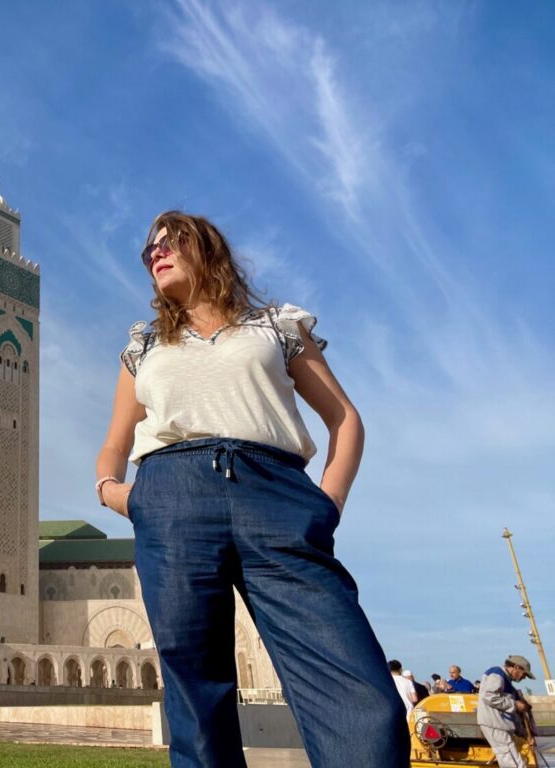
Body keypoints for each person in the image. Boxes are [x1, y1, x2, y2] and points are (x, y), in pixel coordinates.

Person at [96, 211, 408, 767]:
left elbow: (345, 419)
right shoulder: (142, 347)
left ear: (207, 249)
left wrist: (326, 504)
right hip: (171, 499)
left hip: (277, 497)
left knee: (364, 700)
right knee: (196, 700)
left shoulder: (276, 326)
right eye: (150, 251)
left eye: (171, 242)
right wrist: (116, 491)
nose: (157, 254)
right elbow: (115, 443)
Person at [476, 655, 535, 768]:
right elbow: (489, 696)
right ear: (516, 667)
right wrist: (515, 704)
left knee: (514, 761)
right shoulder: (497, 673)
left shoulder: (507, 680)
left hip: (501, 725)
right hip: (494, 724)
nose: (524, 678)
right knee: (513, 763)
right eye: (524, 674)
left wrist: (525, 735)